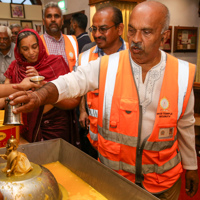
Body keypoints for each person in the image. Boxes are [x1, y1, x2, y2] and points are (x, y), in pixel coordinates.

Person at [8, 1, 199, 199]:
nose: (136, 40)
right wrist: (41, 94)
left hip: (163, 184)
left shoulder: (181, 73)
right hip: (115, 180)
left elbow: (185, 124)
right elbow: (72, 81)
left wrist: (191, 166)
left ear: (164, 35)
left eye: (147, 32)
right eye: (132, 31)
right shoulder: (107, 65)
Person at [4, 29, 80, 147]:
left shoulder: (55, 62)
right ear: (19, 51)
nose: (31, 52)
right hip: (25, 126)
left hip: (55, 124)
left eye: (35, 47)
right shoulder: (15, 67)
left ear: (40, 45)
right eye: (25, 49)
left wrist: (40, 81)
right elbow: (7, 96)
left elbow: (71, 94)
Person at [78, 6, 128, 158]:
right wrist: (82, 110)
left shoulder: (134, 57)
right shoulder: (85, 57)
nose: (97, 34)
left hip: (125, 142)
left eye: (103, 29)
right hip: (95, 141)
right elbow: (81, 89)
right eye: (94, 29)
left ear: (120, 29)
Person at [40, 2, 78, 72]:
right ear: (43, 21)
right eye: (49, 16)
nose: (53, 19)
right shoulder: (38, 42)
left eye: (56, 16)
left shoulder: (73, 40)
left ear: (62, 21)